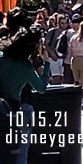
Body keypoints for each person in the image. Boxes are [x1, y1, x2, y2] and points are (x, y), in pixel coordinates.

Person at [0, 10, 51, 164]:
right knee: (20, 150)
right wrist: (46, 63)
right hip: (14, 107)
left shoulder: (2, 57)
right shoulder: (25, 67)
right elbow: (41, 88)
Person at [44, 14, 68, 85]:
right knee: (56, 77)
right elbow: (46, 44)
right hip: (54, 58)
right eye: (62, 23)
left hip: (64, 58)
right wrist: (52, 53)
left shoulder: (68, 32)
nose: (64, 25)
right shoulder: (52, 31)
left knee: (63, 77)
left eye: (65, 23)